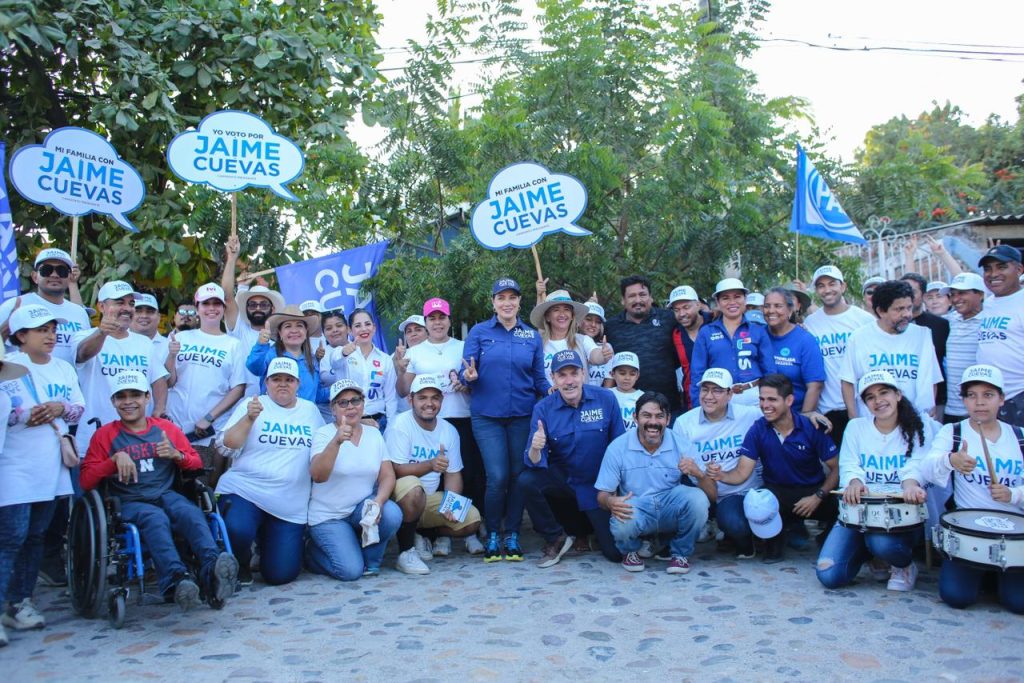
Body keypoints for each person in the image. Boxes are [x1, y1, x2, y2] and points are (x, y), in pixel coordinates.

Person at [80, 371, 238, 611]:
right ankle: (176, 579)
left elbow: (196, 463)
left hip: (165, 493)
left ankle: (212, 568)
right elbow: (86, 481)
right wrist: (113, 461)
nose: (128, 402)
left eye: (135, 395)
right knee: (154, 518)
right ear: (113, 401)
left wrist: (177, 455)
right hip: (129, 500)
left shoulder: (166, 429)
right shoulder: (105, 435)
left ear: (147, 398)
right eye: (121, 397)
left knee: (190, 512)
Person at [918, 364, 1024, 613]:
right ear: (964, 400)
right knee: (956, 597)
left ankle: (994, 577)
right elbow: (927, 469)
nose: (979, 402)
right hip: (969, 532)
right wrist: (950, 460)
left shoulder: (1020, 436)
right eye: (971, 395)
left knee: (1018, 603)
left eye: (988, 395)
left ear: (1001, 399)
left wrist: (1014, 494)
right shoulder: (953, 432)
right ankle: (986, 575)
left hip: (1014, 534)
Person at [815, 370, 931, 592]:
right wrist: (854, 482)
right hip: (859, 513)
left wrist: (910, 485)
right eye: (870, 397)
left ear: (898, 395)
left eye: (884, 392)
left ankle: (903, 565)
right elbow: (849, 464)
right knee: (829, 575)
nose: (878, 401)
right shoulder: (856, 427)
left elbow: (916, 465)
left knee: (881, 543)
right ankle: (869, 553)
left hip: (898, 517)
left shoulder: (916, 427)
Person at [460, 278, 550, 562]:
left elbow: (538, 378)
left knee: (518, 476)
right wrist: (468, 376)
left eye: (512, 297)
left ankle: (512, 533)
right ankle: (493, 533)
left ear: (520, 302)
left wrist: (551, 391)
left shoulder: (531, 336)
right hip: (487, 416)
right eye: (501, 297)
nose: (507, 303)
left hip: (522, 415)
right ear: (493, 302)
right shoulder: (479, 332)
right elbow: (465, 370)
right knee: (497, 477)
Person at [217, 357, 325, 586]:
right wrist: (249, 418)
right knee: (237, 529)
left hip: (289, 503)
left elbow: (322, 449)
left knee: (280, 575)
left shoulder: (310, 411)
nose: (282, 384)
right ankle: (241, 563)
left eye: (289, 380)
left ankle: (267, 541)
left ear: (298, 384)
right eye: (276, 379)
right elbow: (227, 447)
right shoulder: (252, 404)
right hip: (246, 491)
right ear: (266, 382)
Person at [712, 374, 839, 563]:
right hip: (778, 494)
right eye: (762, 399)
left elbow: (837, 468)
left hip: (814, 491)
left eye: (772, 399)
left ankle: (825, 538)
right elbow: (741, 473)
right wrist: (720, 475)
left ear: (789, 400)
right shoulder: (758, 429)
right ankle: (775, 540)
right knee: (761, 500)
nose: (765, 405)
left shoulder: (811, 426)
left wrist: (818, 496)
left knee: (843, 506)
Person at [519, 351, 625, 568]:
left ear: (583, 374)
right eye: (562, 375)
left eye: (574, 373)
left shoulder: (606, 399)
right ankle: (555, 536)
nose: (569, 381)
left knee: (615, 553)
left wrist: (614, 489)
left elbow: (620, 447)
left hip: (598, 486)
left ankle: (589, 531)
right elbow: (533, 461)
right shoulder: (543, 408)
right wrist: (536, 448)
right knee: (526, 480)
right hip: (565, 482)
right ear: (553, 378)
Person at [398, 298, 483, 553]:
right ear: (425, 322)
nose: (437, 323)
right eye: (432, 318)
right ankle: (440, 534)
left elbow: (477, 381)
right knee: (436, 475)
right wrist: (399, 370)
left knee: (467, 474)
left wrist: (467, 384)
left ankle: (468, 531)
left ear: (449, 320)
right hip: (429, 422)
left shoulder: (463, 346)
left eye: (442, 317)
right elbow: (403, 390)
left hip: (461, 416)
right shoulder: (415, 352)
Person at [0, 340, 70, 644]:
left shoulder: (10, 390)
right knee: (10, 537)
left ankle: (19, 603)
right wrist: (25, 416)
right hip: (11, 468)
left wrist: (58, 409)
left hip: (44, 467)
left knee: (34, 536)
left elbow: (73, 407)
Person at [595, 391, 710, 574]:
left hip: (670, 506)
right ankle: (630, 551)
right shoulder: (617, 447)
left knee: (698, 499)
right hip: (637, 506)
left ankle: (680, 553)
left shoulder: (682, 444)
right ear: (635, 417)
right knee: (621, 516)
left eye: (659, 416)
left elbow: (712, 495)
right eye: (646, 415)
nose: (653, 422)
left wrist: (700, 474)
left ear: (668, 419)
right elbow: (602, 494)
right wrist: (610, 502)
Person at [305, 379, 402, 581]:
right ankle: (310, 552)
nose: (350, 407)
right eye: (343, 403)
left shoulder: (374, 434)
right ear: (333, 409)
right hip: (329, 516)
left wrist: (378, 502)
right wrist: (336, 441)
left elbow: (387, 475)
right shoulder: (323, 434)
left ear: (363, 404)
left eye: (355, 400)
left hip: (360, 509)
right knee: (349, 571)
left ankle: (370, 560)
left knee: (391, 513)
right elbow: (318, 476)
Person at [386, 374, 481, 573]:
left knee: (472, 520)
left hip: (428, 499)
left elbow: (453, 473)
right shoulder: (400, 424)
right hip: (399, 498)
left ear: (441, 400)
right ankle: (406, 551)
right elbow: (395, 469)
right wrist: (430, 465)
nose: (429, 404)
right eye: (422, 398)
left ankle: (423, 534)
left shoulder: (449, 430)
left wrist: (451, 503)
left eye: (435, 398)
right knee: (413, 487)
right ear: (410, 400)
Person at [673, 368, 762, 559]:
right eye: (705, 389)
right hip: (702, 489)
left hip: (739, 491)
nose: (709, 396)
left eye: (717, 391)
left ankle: (742, 539)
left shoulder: (751, 415)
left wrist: (810, 415)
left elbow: (780, 416)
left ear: (730, 394)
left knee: (735, 523)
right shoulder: (684, 422)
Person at [72, 280, 170, 454]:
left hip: (137, 441)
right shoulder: (83, 336)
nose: (127, 308)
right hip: (94, 436)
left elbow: (159, 379)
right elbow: (82, 354)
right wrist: (102, 332)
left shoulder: (144, 342)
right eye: (119, 302)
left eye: (131, 303)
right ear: (101, 306)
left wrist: (158, 411)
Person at [165, 284, 247, 485]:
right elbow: (169, 381)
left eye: (216, 304)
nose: (211, 308)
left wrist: (209, 418)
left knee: (199, 489)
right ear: (197, 308)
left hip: (205, 432)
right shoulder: (180, 338)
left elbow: (238, 388)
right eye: (206, 303)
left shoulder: (233, 344)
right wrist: (171, 356)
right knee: (167, 486)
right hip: (173, 427)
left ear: (223, 308)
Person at [839, 280, 942, 419]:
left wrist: (927, 413)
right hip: (873, 422)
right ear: (881, 311)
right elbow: (847, 381)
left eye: (909, 308)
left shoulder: (922, 336)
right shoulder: (858, 338)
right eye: (899, 309)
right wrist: (854, 418)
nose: (906, 314)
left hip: (915, 421)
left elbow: (932, 380)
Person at [804, 265, 876, 446]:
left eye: (832, 284)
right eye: (821, 286)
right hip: (829, 409)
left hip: (864, 406)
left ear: (843, 286)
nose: (827, 290)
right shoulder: (810, 323)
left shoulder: (864, 320)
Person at [690, 278, 776, 408]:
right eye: (725, 298)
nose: (732, 302)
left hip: (754, 396)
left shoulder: (758, 331)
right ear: (718, 302)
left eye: (737, 297)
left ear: (745, 299)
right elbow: (697, 373)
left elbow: (770, 370)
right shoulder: (706, 332)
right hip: (719, 397)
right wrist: (698, 406)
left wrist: (771, 399)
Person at [603, 275, 681, 414]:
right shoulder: (611, 326)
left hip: (669, 406)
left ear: (651, 297)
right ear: (623, 300)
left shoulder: (668, 318)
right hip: (627, 410)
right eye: (632, 296)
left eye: (642, 294)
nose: (638, 300)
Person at [0, 248, 92, 365]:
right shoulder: (15, 305)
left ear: (70, 277)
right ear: (35, 277)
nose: (54, 275)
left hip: (69, 376)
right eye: (46, 270)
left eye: (61, 271)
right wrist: (7, 327)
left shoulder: (80, 313)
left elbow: (85, 355)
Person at [220, 235, 286, 396]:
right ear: (246, 308)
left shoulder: (281, 339)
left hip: (269, 405)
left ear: (272, 309)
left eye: (263, 305)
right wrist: (232, 258)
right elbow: (226, 296)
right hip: (236, 404)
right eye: (252, 304)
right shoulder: (239, 328)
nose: (257, 308)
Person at [763, 287, 828, 428]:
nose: (771, 310)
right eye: (767, 306)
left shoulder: (805, 340)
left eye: (778, 306)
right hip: (760, 418)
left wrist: (802, 421)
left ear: (790, 310)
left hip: (793, 417)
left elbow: (815, 386)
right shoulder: (758, 335)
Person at [975, 244, 1024, 427]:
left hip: (1019, 396)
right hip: (991, 399)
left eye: (1001, 267)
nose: (993, 274)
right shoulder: (989, 303)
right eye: (988, 269)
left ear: (1019, 269)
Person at [329, 309, 397, 431]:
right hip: (349, 423)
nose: (364, 329)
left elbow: (391, 397)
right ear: (350, 330)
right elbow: (334, 361)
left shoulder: (385, 359)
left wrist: (391, 428)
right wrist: (344, 352)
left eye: (367, 324)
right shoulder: (342, 353)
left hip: (379, 423)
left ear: (374, 328)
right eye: (358, 326)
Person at [247, 304, 329, 406]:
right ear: (280, 333)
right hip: (274, 415)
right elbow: (254, 367)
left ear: (306, 331)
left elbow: (317, 394)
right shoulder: (269, 354)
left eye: (299, 325)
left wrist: (341, 389)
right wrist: (260, 345)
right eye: (288, 326)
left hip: (305, 415)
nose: (294, 331)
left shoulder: (312, 359)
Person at [531, 291, 612, 384]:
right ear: (547, 317)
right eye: (556, 310)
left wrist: (603, 355)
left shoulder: (583, 340)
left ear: (572, 316)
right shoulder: (537, 344)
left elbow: (595, 356)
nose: (562, 314)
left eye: (566, 309)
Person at [900, 272, 950, 420]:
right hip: (898, 401)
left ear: (923, 295)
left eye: (912, 291)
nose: (907, 295)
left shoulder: (942, 325)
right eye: (903, 291)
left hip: (935, 403)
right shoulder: (893, 325)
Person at [942, 273, 985, 424]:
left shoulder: (989, 320)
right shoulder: (950, 320)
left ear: (980, 294)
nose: (955, 299)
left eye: (962, 293)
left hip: (980, 409)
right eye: (953, 294)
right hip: (951, 409)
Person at [668, 285, 710, 413]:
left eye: (686, 307)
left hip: (721, 397)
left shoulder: (716, 323)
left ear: (698, 305)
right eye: (676, 310)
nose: (682, 314)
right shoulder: (675, 334)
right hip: (691, 401)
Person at [316, 309, 350, 420]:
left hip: (359, 411)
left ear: (348, 328)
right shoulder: (319, 355)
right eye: (329, 328)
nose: (335, 330)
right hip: (328, 415)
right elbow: (315, 390)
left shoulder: (360, 350)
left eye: (339, 326)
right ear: (323, 333)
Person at [608, 352, 643, 430]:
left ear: (637, 376)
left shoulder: (643, 397)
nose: (627, 378)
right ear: (612, 374)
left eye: (632, 374)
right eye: (622, 373)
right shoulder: (607, 395)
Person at [580, 302, 611, 387]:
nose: (593, 325)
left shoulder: (606, 347)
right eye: (588, 319)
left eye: (598, 322)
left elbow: (609, 380)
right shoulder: (570, 343)